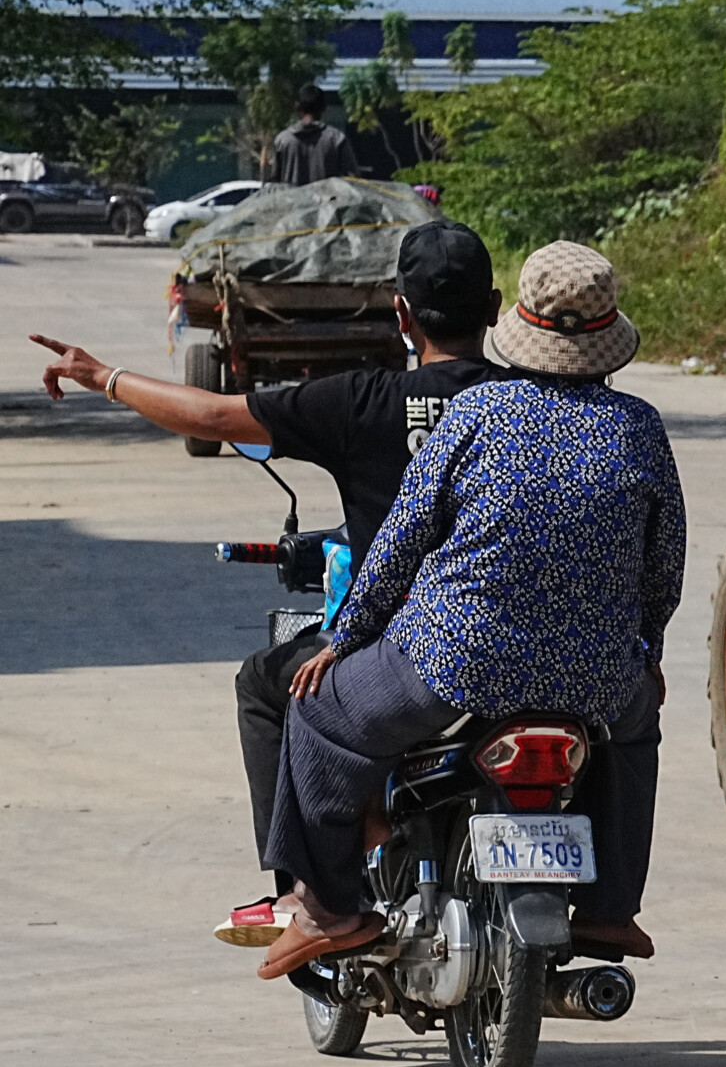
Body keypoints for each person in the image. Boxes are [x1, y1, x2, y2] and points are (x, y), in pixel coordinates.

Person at [31, 220, 509, 942]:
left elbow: (215, 414)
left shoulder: (361, 402)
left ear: (400, 312)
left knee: (271, 682)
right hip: (516, 641)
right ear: (494, 306)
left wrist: (106, 378)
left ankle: (304, 893)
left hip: (400, 652)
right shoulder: (532, 407)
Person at [256, 240, 684, 980]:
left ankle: (329, 908)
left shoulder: (477, 414)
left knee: (315, 708)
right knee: (634, 732)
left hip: (455, 662)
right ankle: (612, 906)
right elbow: (663, 568)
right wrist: (644, 652)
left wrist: (344, 635)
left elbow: (399, 542)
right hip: (598, 677)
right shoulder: (639, 425)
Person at [267, 84, 355, 185]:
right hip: (327, 200)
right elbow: (352, 179)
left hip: (292, 200)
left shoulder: (282, 140)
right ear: (324, 107)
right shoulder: (336, 139)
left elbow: (274, 182)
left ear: (297, 106)